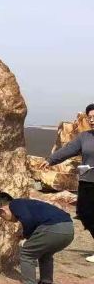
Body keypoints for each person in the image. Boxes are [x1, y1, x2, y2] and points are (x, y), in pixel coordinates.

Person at [0, 191, 74, 284]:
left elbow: (28, 220)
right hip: (68, 229)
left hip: (53, 228)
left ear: (2, 210)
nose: (5, 219)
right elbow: (34, 222)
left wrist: (26, 236)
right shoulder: (29, 205)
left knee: (26, 253)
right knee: (45, 254)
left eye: (2, 216)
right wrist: (26, 235)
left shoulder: (15, 204)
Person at [39, 103, 94, 262]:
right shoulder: (84, 137)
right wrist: (51, 160)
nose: (92, 120)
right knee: (84, 213)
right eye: (89, 117)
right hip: (87, 181)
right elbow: (68, 150)